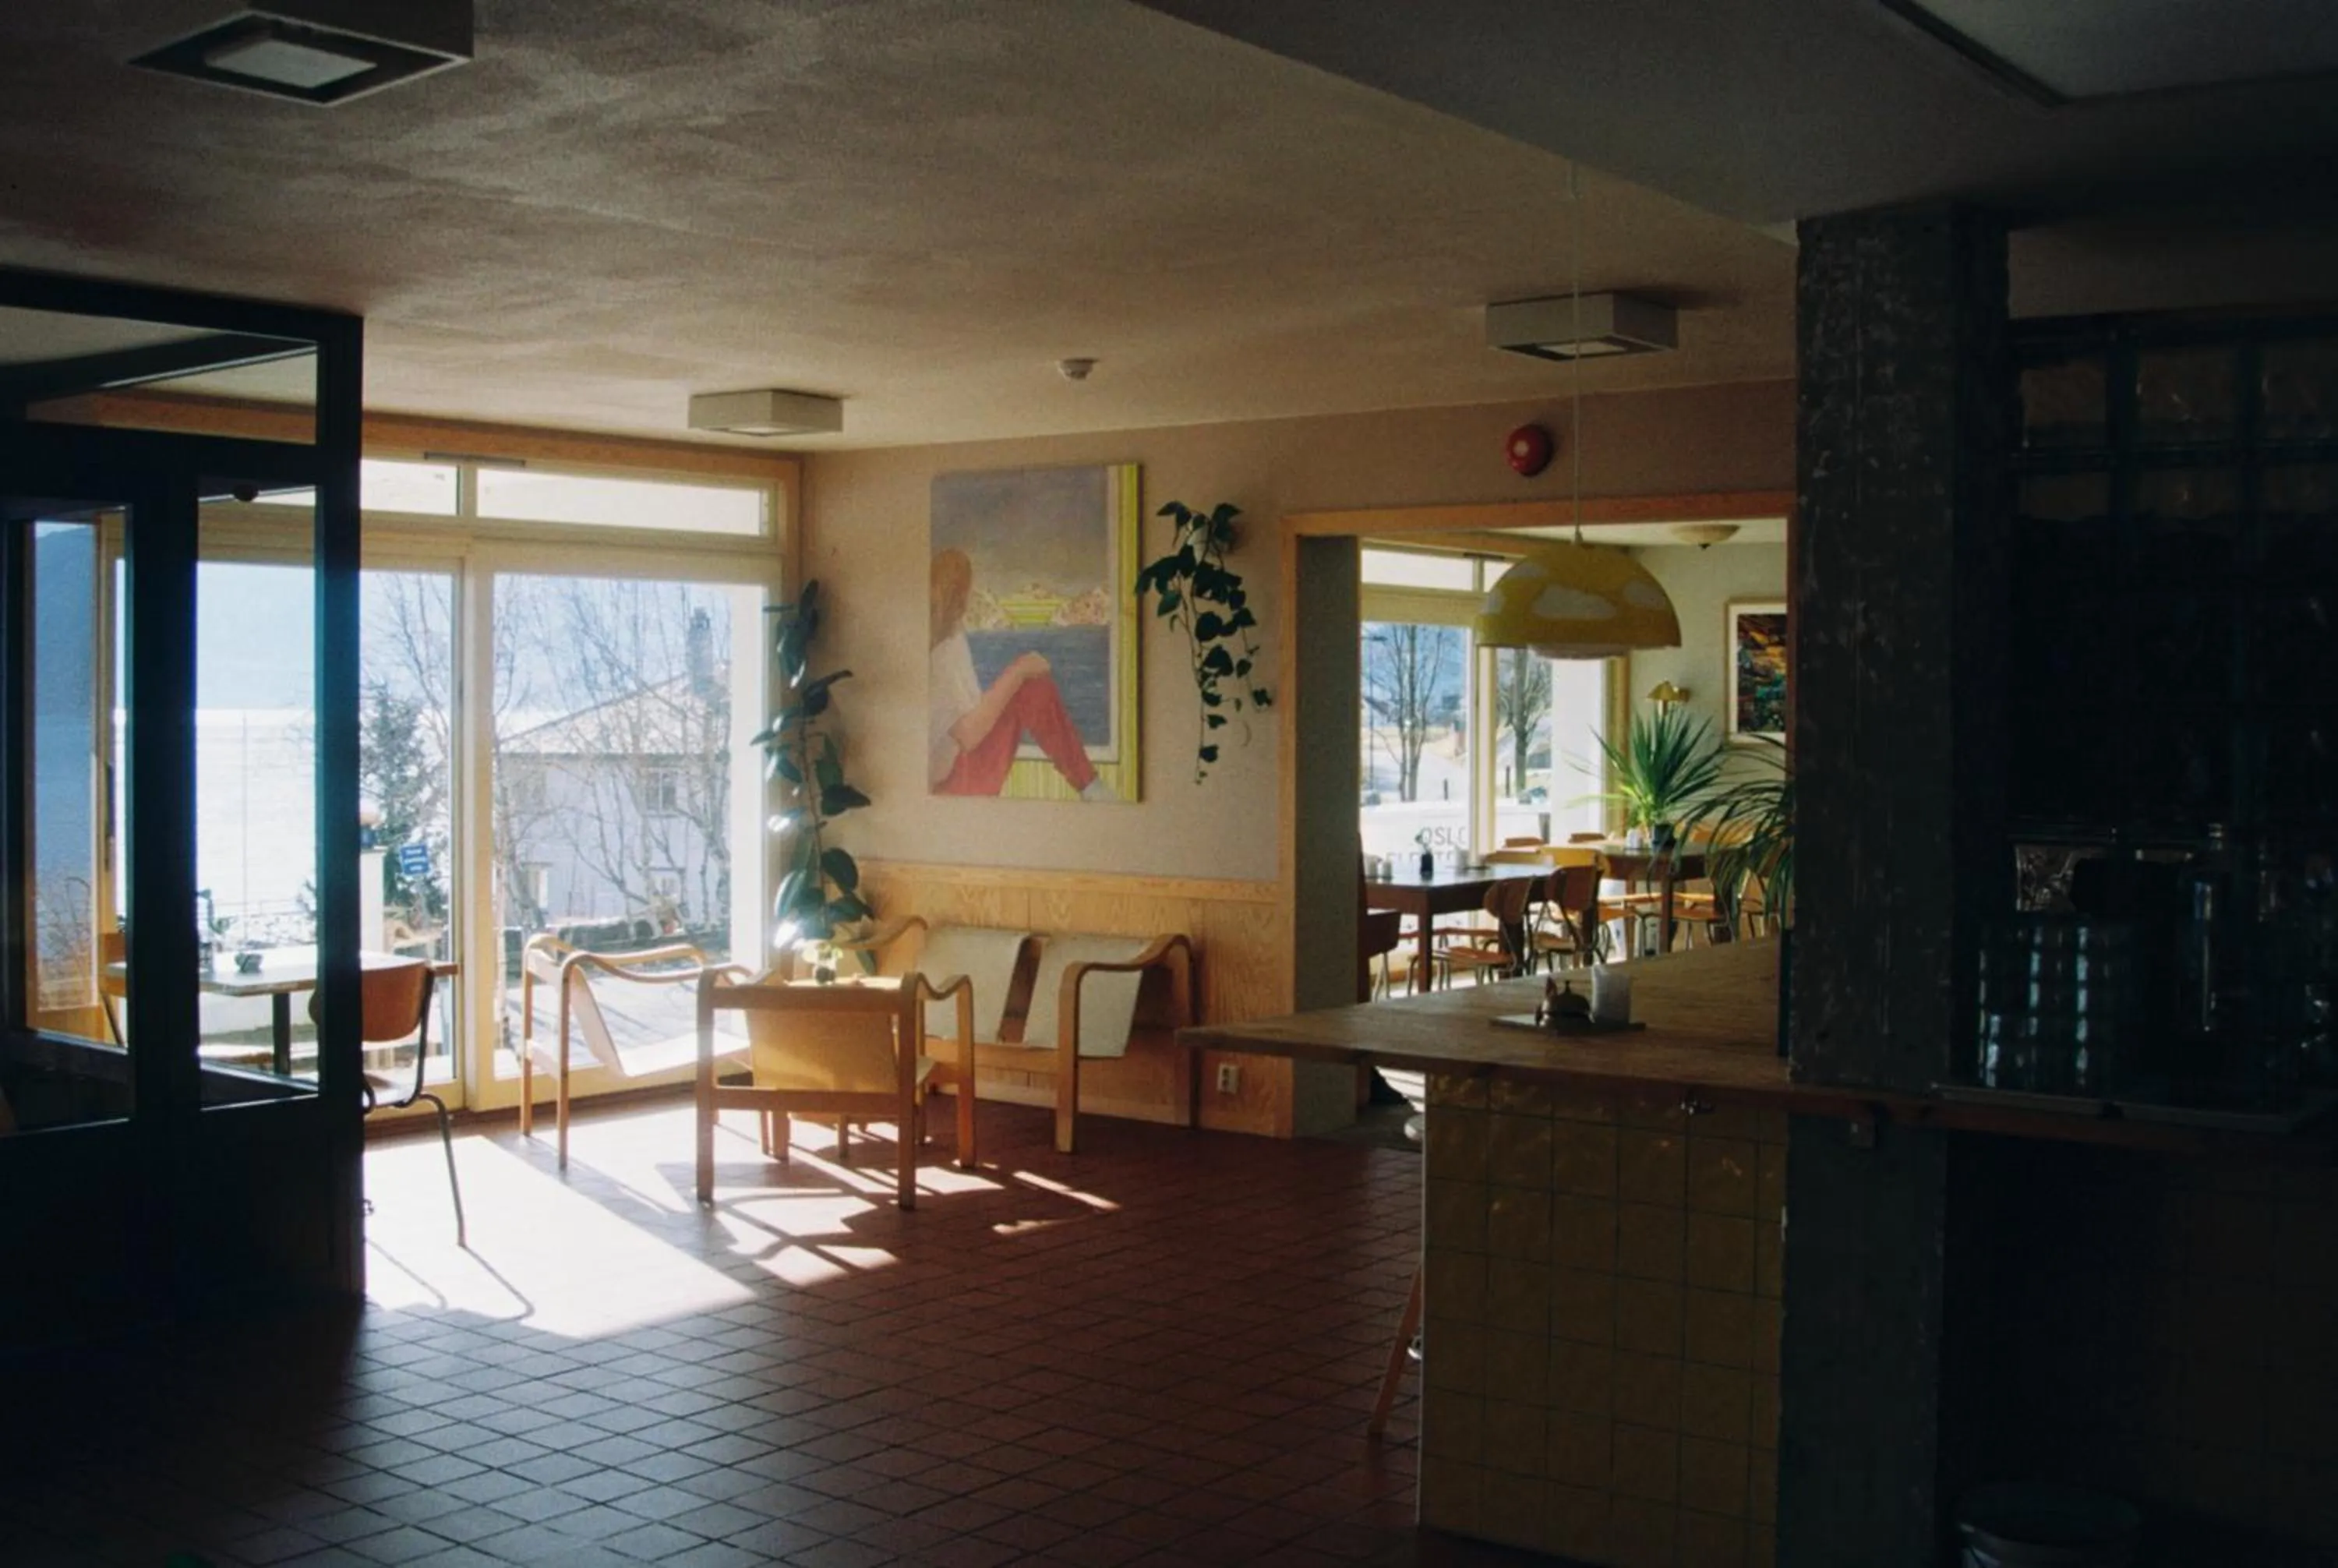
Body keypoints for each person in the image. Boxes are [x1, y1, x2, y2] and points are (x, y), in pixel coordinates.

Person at [929, 549, 1114, 800]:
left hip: (954, 771)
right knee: (1032, 687)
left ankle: (1090, 785)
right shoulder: (940, 650)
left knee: (1029, 685)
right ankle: (1090, 786)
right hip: (951, 786)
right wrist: (1019, 671)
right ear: (959, 592)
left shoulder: (945, 637)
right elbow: (968, 735)